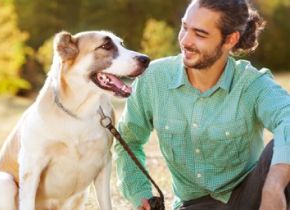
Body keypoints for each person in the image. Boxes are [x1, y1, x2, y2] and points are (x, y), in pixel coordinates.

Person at [114, 0, 290, 209]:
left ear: (230, 39)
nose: (186, 40)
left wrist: (273, 187)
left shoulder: (251, 84)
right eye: (184, 27)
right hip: (193, 204)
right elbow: (128, 140)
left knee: (280, 153)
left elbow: (286, 116)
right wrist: (140, 194)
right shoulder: (153, 79)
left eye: (200, 34)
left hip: (250, 197)